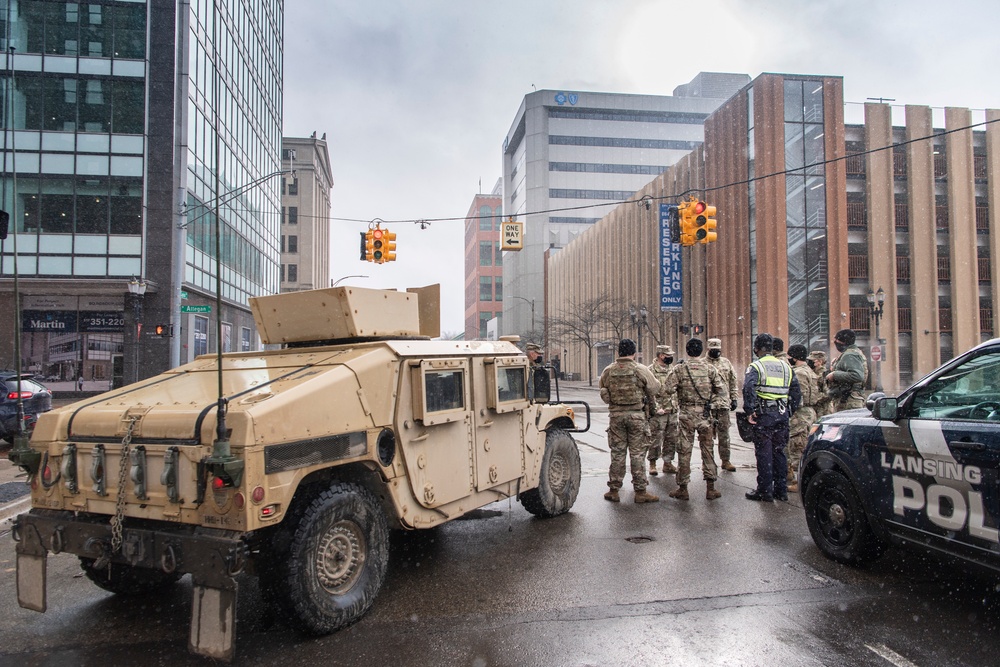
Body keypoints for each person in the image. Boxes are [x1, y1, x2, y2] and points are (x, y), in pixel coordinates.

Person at [660, 338, 727, 500]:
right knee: (708, 450)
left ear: (687, 351)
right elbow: (721, 391)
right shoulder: (710, 369)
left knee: (684, 451)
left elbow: (667, 390)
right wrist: (711, 404)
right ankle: (711, 488)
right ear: (702, 350)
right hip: (705, 414)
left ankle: (683, 488)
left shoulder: (680, 369)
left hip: (686, 414)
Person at [599, 338, 661, 503]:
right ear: (634, 353)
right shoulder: (640, 369)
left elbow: (603, 389)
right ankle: (640, 491)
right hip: (636, 417)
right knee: (637, 454)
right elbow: (655, 388)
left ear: (618, 352)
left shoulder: (608, 370)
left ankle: (613, 489)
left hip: (616, 417)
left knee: (617, 453)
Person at [743, 333, 800, 502]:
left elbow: (748, 388)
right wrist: (789, 411)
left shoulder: (756, 366)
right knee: (779, 452)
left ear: (756, 349)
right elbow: (796, 392)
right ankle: (781, 490)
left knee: (764, 453)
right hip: (782, 415)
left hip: (764, 415)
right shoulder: (786, 366)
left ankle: (764, 490)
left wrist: (749, 410)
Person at [786, 344, 820, 493]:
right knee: (801, 444)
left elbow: (799, 397)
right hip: (810, 412)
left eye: (790, 357)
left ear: (795, 357)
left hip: (800, 414)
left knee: (797, 446)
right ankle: (792, 475)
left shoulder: (799, 373)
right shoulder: (810, 371)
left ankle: (797, 481)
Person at [646, 345, 680, 477]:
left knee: (671, 438)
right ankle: (653, 464)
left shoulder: (673, 369)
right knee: (655, 438)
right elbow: (648, 392)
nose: (670, 357)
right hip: (658, 411)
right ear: (661, 355)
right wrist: (654, 408)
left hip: (672, 409)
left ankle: (668, 463)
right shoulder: (650, 370)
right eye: (668, 355)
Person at [706, 337, 738, 472]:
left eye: (718, 350)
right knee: (707, 435)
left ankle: (726, 460)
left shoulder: (726, 363)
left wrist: (734, 398)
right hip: (709, 405)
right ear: (708, 349)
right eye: (713, 350)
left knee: (724, 434)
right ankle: (708, 462)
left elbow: (733, 380)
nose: (716, 352)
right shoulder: (703, 364)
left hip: (723, 404)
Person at [825, 328, 868, 411]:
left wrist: (834, 374)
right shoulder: (854, 352)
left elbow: (857, 375)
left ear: (843, 342)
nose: (835, 342)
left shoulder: (849, 355)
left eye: (837, 340)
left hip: (848, 400)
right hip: (850, 398)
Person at [808, 350, 832, 417]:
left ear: (820, 362)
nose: (809, 363)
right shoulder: (811, 372)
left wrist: (813, 397)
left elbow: (829, 393)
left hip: (823, 410)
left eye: (812, 360)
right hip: (814, 409)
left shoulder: (825, 374)